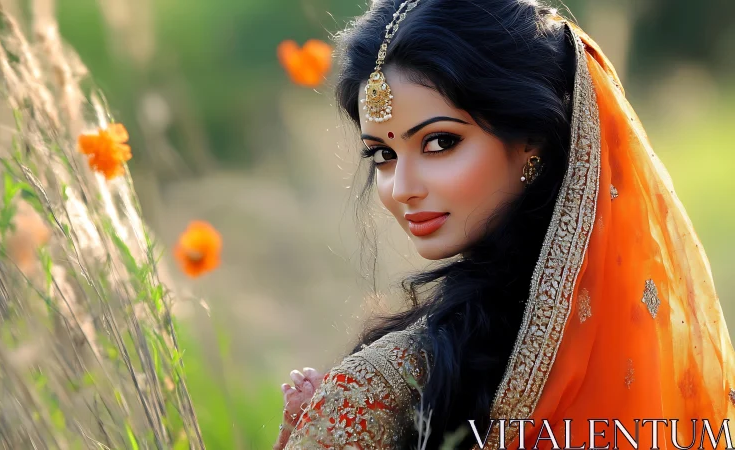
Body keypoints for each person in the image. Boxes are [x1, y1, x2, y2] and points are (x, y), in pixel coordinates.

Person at [274, 0, 735, 448]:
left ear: (531, 139)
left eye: (439, 142)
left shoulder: (380, 389)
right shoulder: (654, 340)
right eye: (383, 155)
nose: (402, 188)